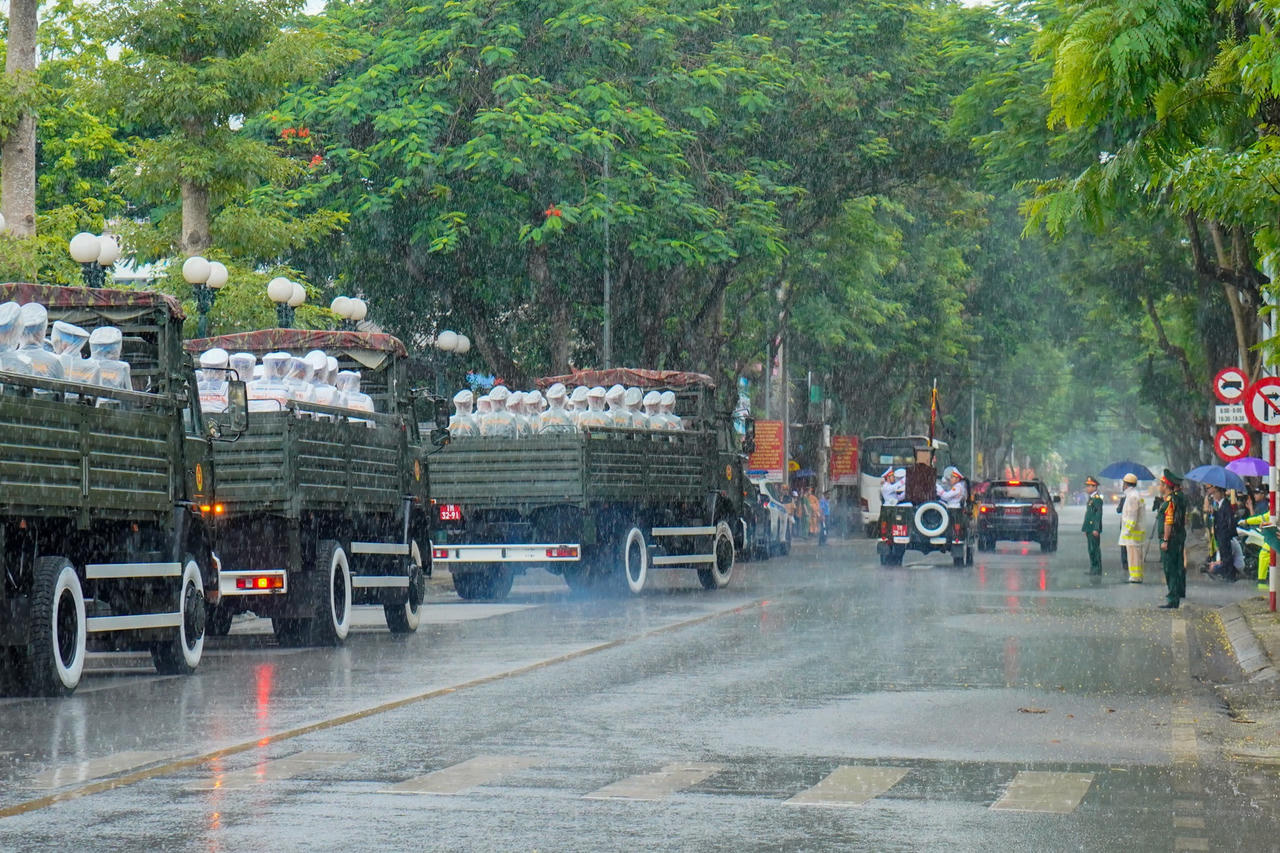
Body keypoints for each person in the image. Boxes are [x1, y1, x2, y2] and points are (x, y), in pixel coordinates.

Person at [1158, 469, 1188, 608]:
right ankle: (1174, 595)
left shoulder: (1170, 502)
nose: (1159, 486)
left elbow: (1168, 522)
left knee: (1170, 568)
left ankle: (1173, 598)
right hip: (1175, 538)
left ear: (1166, 486)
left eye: (1161, 484)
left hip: (1171, 540)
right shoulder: (1173, 499)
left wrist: (1165, 539)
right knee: (1174, 567)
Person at [1205, 484, 1238, 581]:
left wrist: (1228, 533)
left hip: (1224, 534)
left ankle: (1230, 575)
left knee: (1227, 555)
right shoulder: (1218, 505)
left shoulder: (1226, 505)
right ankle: (1226, 573)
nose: (1214, 495)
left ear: (1221, 493)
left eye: (1215, 493)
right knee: (1223, 555)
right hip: (1219, 534)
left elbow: (1228, 522)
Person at [1118, 472, 1146, 583]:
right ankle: (1137, 575)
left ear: (1126, 484)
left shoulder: (1132, 497)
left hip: (1133, 533)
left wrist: (1127, 531)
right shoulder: (1135, 495)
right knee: (1137, 555)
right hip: (1137, 531)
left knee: (1134, 556)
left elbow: (1132, 516)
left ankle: (1135, 576)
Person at [1082, 475, 1103, 575]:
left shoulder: (1097, 499)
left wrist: (1096, 528)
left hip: (1094, 528)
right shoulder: (1091, 499)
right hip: (1089, 528)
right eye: (1087, 486)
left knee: (1095, 549)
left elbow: (1098, 515)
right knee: (1091, 549)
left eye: (1090, 486)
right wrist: (1086, 528)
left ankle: (1097, 568)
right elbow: (1088, 515)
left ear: (1095, 487)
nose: (1087, 488)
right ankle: (1093, 567)